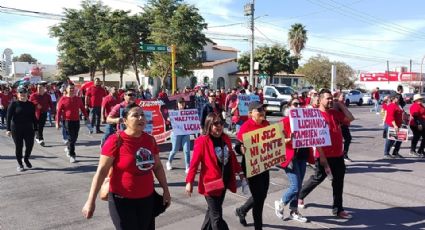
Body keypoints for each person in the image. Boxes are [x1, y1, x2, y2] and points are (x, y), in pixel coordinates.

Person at [82, 104, 171, 230]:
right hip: (122, 200)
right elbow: (101, 172)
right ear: (125, 121)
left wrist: (166, 190)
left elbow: (158, 167)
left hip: (147, 198)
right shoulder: (115, 140)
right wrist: (90, 201)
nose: (141, 118)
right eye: (135, 115)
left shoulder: (150, 140)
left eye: (142, 115)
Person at [298, 88, 354, 219]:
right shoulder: (315, 115)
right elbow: (315, 137)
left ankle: (338, 209)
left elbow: (350, 118)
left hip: (338, 155)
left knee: (338, 182)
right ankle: (300, 196)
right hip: (324, 156)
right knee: (318, 178)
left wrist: (340, 104)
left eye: (331, 98)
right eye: (327, 98)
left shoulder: (335, 113)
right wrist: (322, 157)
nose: (330, 100)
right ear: (320, 100)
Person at [185, 113, 244, 230]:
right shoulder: (202, 141)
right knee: (217, 217)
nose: (219, 126)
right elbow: (194, 163)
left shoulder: (225, 138)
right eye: (215, 124)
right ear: (209, 125)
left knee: (212, 211)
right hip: (211, 184)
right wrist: (189, 181)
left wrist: (240, 172)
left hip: (224, 181)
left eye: (221, 123)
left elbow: (231, 157)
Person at [274, 98, 314, 223]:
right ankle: (281, 203)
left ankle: (294, 211)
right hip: (290, 157)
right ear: (289, 106)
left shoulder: (305, 120)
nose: (298, 106)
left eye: (300, 104)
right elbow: (276, 141)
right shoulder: (283, 122)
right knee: (295, 187)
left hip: (302, 155)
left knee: (299, 185)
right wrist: (287, 140)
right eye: (295, 104)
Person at [234, 101, 270, 230]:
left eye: (263, 109)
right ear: (251, 114)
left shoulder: (267, 124)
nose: (262, 112)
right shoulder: (246, 126)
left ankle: (242, 210)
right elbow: (237, 146)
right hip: (251, 166)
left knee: (262, 195)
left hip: (265, 164)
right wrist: (241, 149)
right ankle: (258, 227)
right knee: (259, 199)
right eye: (258, 110)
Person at [56, 83, 90, 163]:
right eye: (70, 88)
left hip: (76, 120)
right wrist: (57, 122)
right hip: (67, 121)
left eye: (72, 88)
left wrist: (87, 117)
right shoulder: (63, 99)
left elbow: (82, 109)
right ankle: (72, 154)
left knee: (75, 137)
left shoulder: (78, 99)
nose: (71, 90)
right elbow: (59, 112)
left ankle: (68, 147)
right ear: (66, 90)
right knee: (71, 138)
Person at [6, 87, 37, 172]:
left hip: (28, 128)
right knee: (19, 147)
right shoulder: (13, 104)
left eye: (24, 92)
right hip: (16, 129)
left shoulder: (31, 104)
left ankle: (26, 159)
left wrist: (36, 129)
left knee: (30, 145)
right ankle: (20, 164)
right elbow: (8, 117)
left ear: (27, 94)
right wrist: (8, 129)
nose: (23, 94)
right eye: (21, 93)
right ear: (17, 94)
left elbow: (33, 117)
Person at [166, 98, 191, 173]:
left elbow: (193, 120)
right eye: (180, 103)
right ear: (177, 104)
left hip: (185, 133)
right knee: (175, 150)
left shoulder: (188, 112)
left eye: (183, 103)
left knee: (187, 150)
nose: (182, 105)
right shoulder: (174, 112)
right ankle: (169, 162)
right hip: (176, 133)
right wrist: (169, 119)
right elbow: (168, 119)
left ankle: (188, 166)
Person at [29, 82, 53, 147]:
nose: (39, 89)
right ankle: (37, 136)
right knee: (35, 126)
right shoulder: (33, 95)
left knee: (41, 126)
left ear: (44, 88)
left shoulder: (47, 95)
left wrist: (53, 112)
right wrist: (36, 104)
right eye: (38, 88)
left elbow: (50, 103)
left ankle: (40, 138)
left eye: (40, 88)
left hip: (44, 112)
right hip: (35, 113)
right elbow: (29, 103)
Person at [383, 93, 404, 159]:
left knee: (400, 139)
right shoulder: (391, 105)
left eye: (399, 98)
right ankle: (386, 153)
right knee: (390, 140)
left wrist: (402, 122)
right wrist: (395, 125)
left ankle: (395, 152)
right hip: (391, 124)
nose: (399, 99)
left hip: (398, 124)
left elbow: (400, 114)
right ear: (393, 99)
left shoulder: (397, 105)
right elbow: (391, 117)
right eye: (397, 98)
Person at [335, 92, 353, 162]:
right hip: (341, 125)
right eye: (342, 96)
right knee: (345, 139)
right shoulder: (337, 104)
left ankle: (344, 154)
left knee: (347, 139)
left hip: (344, 124)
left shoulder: (342, 103)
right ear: (338, 97)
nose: (344, 97)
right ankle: (342, 155)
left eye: (344, 96)